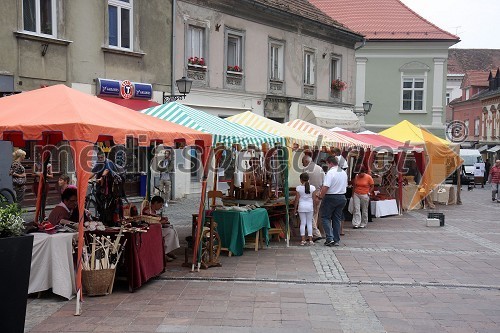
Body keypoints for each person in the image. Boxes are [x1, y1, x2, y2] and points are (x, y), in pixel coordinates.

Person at [316, 155, 348, 247]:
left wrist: (320, 197)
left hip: (331, 197)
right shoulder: (343, 172)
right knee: (336, 219)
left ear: (329, 163)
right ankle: (336, 239)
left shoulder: (330, 172)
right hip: (342, 197)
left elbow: (326, 186)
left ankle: (329, 238)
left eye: (327, 163)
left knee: (325, 217)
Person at [142, 196, 180, 262]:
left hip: (156, 228)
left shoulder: (152, 211)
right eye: (160, 205)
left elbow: (156, 219)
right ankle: (164, 252)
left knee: (172, 229)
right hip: (152, 230)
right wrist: (161, 222)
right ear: (156, 203)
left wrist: (163, 220)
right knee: (170, 232)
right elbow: (151, 222)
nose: (161, 207)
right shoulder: (147, 210)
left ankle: (167, 251)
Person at [302, 155, 324, 241]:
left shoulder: (305, 169)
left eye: (303, 162)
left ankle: (316, 233)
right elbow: (323, 183)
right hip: (318, 192)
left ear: (306, 161)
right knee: (315, 214)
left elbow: (305, 184)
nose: (303, 164)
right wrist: (320, 195)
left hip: (310, 193)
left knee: (309, 214)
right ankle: (312, 234)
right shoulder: (320, 169)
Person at [293, 173, 315, 246]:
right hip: (310, 206)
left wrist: (295, 208)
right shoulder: (312, 188)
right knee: (309, 223)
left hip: (301, 206)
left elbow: (296, 199)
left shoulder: (298, 188)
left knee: (303, 223)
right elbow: (314, 199)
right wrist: (314, 207)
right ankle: (311, 240)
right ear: (308, 179)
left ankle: (303, 240)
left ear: (301, 180)